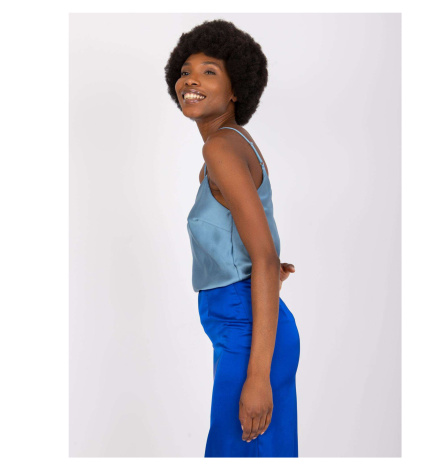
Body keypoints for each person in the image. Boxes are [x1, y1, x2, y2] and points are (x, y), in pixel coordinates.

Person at [164, 19, 300, 458]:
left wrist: (257, 377)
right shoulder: (231, 147)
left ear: (236, 88)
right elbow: (257, 246)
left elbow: (264, 257)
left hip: (247, 333)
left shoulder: (220, 147)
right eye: (185, 70)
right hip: (243, 325)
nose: (191, 80)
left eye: (209, 71)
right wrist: (260, 269)